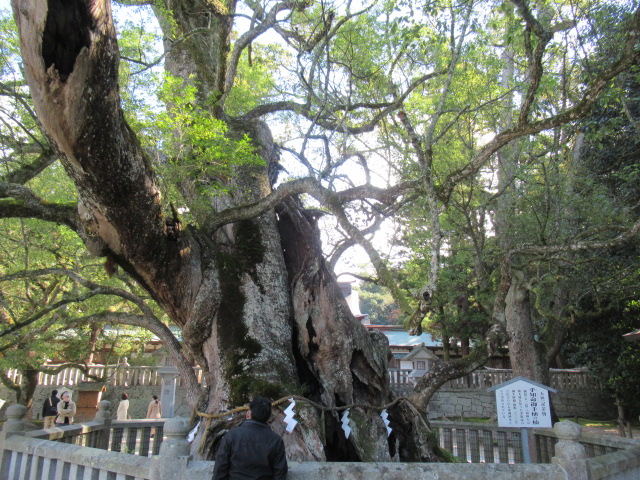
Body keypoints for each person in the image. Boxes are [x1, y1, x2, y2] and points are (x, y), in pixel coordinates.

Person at [213, 396, 287, 480]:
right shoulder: (276, 441)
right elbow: (280, 475)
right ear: (267, 417)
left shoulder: (231, 436)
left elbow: (220, 469)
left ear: (248, 414)